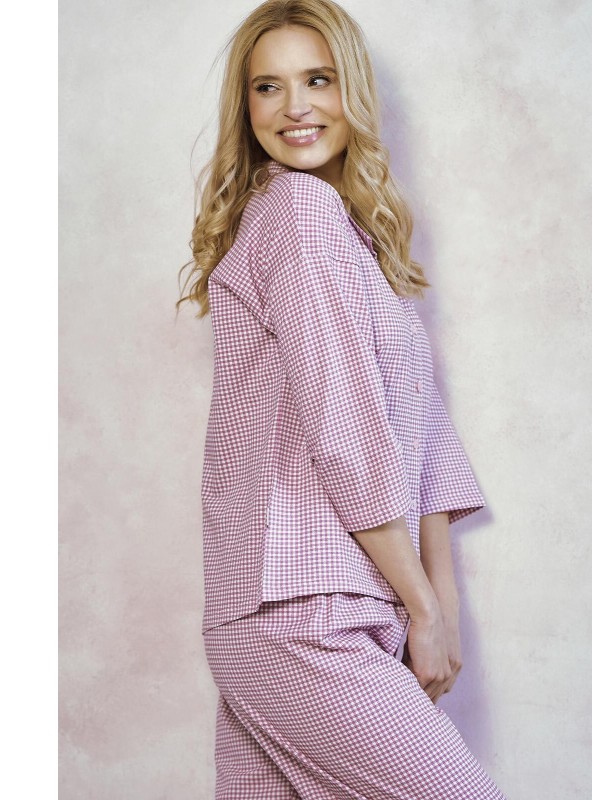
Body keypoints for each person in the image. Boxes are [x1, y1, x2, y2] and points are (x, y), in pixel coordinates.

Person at [178, 1, 508, 797]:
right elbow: (346, 431)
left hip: (303, 611)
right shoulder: (298, 212)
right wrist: (424, 607)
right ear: (245, 107)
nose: (295, 107)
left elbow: (424, 434)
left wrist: (438, 606)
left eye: (318, 80)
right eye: (268, 87)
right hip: (302, 612)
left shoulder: (355, 241)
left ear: (351, 89)